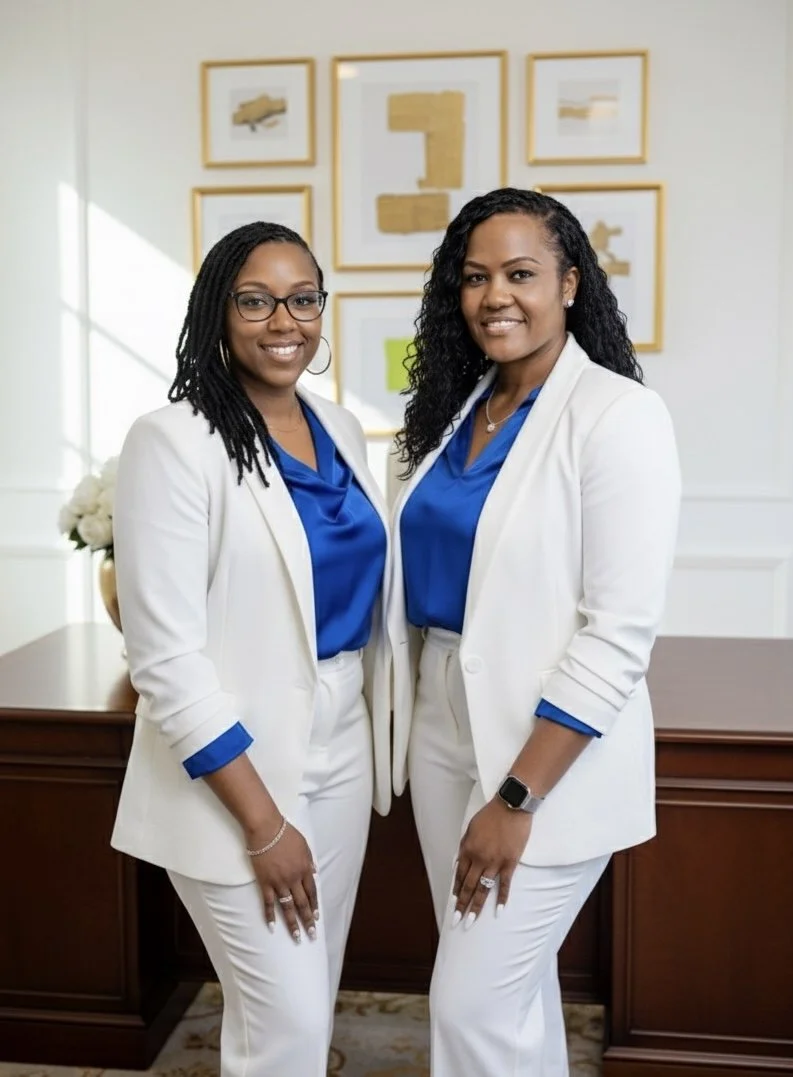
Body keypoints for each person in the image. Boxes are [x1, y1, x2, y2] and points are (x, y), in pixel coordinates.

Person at [386, 187, 681, 1076]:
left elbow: (617, 634)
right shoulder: (446, 413)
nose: (495, 297)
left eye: (519, 274)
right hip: (439, 723)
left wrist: (516, 798)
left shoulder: (617, 415)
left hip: (546, 747)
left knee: (470, 1004)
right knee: (506, 997)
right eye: (474, 277)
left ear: (569, 283)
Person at [110, 222, 391, 1076]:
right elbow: (165, 661)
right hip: (233, 771)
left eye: (302, 299)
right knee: (285, 1027)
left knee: (305, 1005)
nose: (284, 321)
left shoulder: (338, 425)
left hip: (342, 745)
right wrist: (263, 824)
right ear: (217, 312)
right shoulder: (172, 440)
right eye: (256, 300)